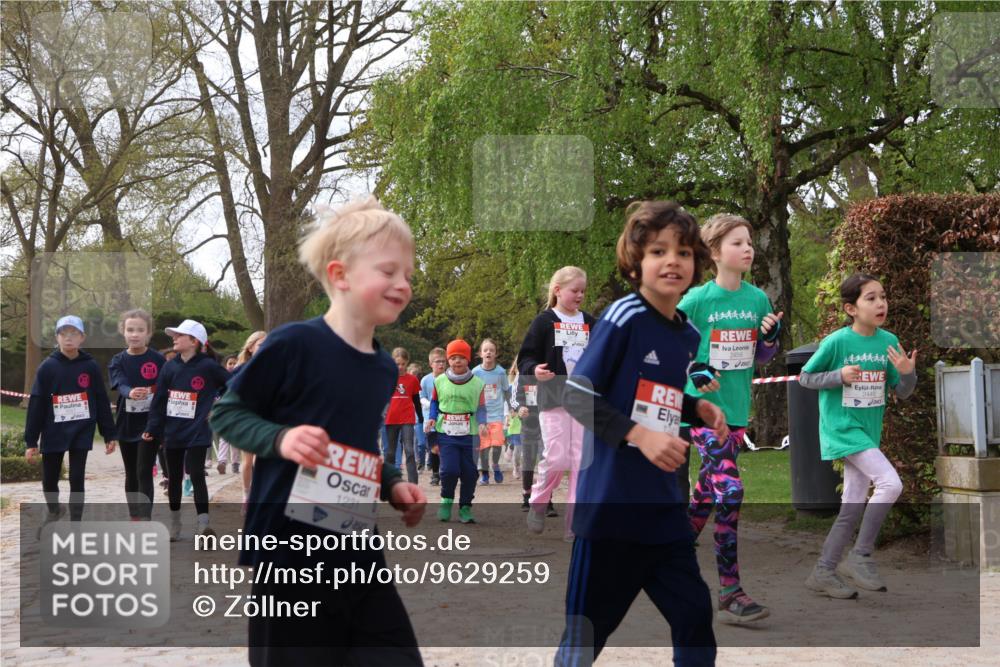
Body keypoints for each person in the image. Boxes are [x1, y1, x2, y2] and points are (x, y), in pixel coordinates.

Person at [210, 196, 426, 666]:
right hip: (286, 551)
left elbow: (357, 445)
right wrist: (281, 439)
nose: (403, 284)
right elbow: (226, 414)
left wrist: (391, 482)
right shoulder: (294, 344)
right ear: (340, 275)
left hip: (354, 546)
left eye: (408, 274)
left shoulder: (384, 367)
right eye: (388, 271)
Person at [557, 200, 725, 666]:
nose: (673, 261)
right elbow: (575, 394)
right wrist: (640, 437)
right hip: (609, 511)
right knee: (584, 638)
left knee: (694, 617)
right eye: (658, 251)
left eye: (685, 252)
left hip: (663, 512)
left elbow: (655, 397)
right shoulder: (623, 316)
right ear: (636, 264)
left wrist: (697, 406)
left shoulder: (686, 333)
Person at [676, 213, 782, 624]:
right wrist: (692, 370)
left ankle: (668, 554)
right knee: (731, 490)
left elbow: (761, 356)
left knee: (706, 491)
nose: (748, 248)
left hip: (737, 411)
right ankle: (730, 592)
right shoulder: (697, 300)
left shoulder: (757, 300)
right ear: (716, 252)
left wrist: (769, 340)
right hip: (701, 412)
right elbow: (668, 344)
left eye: (750, 241)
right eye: (738, 242)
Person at [801, 273, 917, 598]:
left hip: (868, 432)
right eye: (871, 298)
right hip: (843, 430)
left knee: (850, 509)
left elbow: (903, 391)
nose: (881, 303)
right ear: (851, 308)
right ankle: (860, 555)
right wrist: (839, 375)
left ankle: (823, 571)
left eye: (882, 296)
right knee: (891, 483)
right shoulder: (837, 342)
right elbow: (805, 378)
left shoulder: (889, 341)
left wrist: (908, 373)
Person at [518, 266, 595, 538]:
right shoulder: (544, 321)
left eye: (583, 291)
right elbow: (525, 357)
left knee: (579, 462)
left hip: (584, 401)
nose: (580, 296)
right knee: (557, 458)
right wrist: (534, 371)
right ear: (558, 290)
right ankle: (538, 503)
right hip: (553, 399)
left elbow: (603, 355)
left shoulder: (589, 322)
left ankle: (574, 524)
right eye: (575, 290)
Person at [25, 316, 117, 527]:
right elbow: (37, 404)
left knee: (77, 478)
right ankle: (54, 510)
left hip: (81, 430)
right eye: (63, 334)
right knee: (49, 479)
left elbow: (101, 400)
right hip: (53, 430)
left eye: (74, 334)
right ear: (56, 337)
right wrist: (31, 441)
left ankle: (76, 524)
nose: (68, 338)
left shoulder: (90, 366)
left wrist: (109, 433)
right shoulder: (47, 367)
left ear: (82, 338)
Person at [143, 319, 229, 540]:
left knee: (197, 474)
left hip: (198, 431)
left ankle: (203, 526)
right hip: (173, 432)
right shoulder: (169, 367)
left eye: (179, 335)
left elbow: (232, 386)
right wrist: (153, 427)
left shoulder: (209, 366)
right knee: (174, 478)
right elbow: (160, 399)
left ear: (194, 341)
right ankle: (175, 523)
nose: (174, 338)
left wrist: (218, 409)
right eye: (174, 335)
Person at [108, 309, 165, 520]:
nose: (135, 334)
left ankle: (146, 517)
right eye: (130, 330)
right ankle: (135, 516)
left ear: (148, 333)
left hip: (150, 424)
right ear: (123, 332)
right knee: (131, 471)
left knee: (143, 470)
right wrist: (129, 392)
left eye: (140, 330)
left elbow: (166, 388)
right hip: (126, 423)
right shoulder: (117, 360)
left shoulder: (158, 360)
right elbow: (119, 382)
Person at [426, 339, 486, 524]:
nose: (457, 361)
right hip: (446, 432)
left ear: (468, 359)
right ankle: (446, 502)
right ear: (448, 359)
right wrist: (432, 417)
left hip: (470, 433)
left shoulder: (478, 383)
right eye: (453, 357)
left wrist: (483, 422)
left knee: (469, 473)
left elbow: (482, 407)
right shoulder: (440, 380)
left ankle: (465, 508)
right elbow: (435, 402)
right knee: (449, 470)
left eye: (461, 357)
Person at [233, 331, 267, 512]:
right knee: (248, 459)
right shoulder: (240, 369)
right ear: (251, 347)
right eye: (261, 344)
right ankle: (246, 494)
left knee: (260, 459)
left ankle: (258, 495)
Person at [471, 338, 510, 484]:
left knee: (497, 444)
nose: (488, 352)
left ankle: (495, 465)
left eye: (491, 350)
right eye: (485, 350)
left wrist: (511, 409)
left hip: (497, 414)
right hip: (481, 416)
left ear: (496, 354)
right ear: (480, 353)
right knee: (484, 446)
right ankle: (485, 474)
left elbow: (506, 391)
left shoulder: (501, 372)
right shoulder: (475, 372)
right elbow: (471, 392)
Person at [385, 347, 423, 483]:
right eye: (397, 364)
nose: (400, 367)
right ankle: (388, 481)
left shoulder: (412, 380)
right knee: (390, 452)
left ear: (407, 363)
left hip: (407, 418)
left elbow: (416, 400)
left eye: (403, 364)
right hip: (391, 419)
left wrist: (421, 417)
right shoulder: (387, 378)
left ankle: (413, 483)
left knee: (409, 451)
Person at [419, 348, 447, 486]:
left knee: (446, 447)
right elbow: (421, 396)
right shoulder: (426, 380)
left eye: (443, 361)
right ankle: (435, 474)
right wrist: (429, 404)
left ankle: (445, 472)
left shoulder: (450, 378)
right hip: (430, 419)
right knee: (434, 448)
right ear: (431, 363)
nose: (441, 364)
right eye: (437, 362)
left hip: (447, 419)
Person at [216, 354, 239, 475]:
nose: (232, 366)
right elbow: (217, 393)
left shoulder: (241, 377)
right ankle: (222, 462)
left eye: (235, 363)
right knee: (224, 437)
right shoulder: (222, 379)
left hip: (238, 411)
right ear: (225, 365)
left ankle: (235, 463)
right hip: (224, 411)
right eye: (230, 363)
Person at [408, 362, 428, 470]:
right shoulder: (405, 384)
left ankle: (426, 460)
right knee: (415, 440)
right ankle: (418, 460)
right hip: (410, 416)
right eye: (413, 374)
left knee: (423, 441)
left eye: (417, 374)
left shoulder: (421, 385)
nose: (415, 376)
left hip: (420, 415)